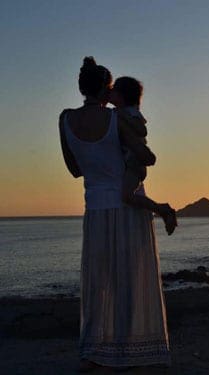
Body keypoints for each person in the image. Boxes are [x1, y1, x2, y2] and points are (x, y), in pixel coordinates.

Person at [59, 57, 171, 372]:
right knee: (131, 279)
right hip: (126, 207)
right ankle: (131, 349)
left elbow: (74, 169)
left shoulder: (64, 119)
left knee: (99, 281)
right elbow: (144, 156)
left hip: (94, 207)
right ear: (107, 89)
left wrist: (94, 161)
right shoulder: (115, 119)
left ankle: (94, 351)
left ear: (81, 87)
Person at [110, 76, 177, 235]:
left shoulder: (131, 112)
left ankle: (163, 209)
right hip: (130, 163)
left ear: (122, 95)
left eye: (113, 91)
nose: (109, 94)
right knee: (127, 196)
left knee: (126, 196)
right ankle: (161, 209)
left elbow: (142, 130)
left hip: (135, 163)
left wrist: (121, 115)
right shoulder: (121, 111)